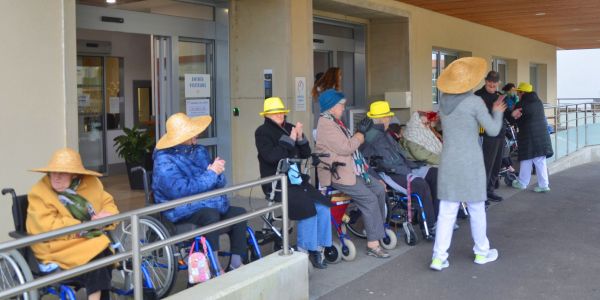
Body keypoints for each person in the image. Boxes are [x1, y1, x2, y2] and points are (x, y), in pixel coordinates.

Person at [430, 57, 506, 271]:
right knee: (476, 207)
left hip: (449, 160)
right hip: (470, 161)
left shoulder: (443, 101)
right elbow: (492, 130)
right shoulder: (474, 102)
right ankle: (482, 252)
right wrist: (498, 113)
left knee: (446, 210)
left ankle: (439, 257)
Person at [152, 113, 246, 272]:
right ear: (181, 137)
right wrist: (211, 174)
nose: (196, 134)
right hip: (178, 208)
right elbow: (180, 190)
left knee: (240, 214)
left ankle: (236, 263)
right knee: (211, 216)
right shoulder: (164, 160)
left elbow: (220, 182)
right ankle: (214, 266)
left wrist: (217, 173)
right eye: (191, 133)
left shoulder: (199, 151)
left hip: (205, 202)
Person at [27, 148, 119, 300]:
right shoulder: (39, 191)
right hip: (56, 245)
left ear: (75, 174)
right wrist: (84, 225)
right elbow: (46, 225)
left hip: (86, 239)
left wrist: (106, 215)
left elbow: (108, 203)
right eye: (52, 172)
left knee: (101, 252)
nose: (56, 177)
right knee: (100, 252)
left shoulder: (92, 183)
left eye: (62, 173)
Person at [254, 97, 332, 269]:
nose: (280, 115)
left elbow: (305, 153)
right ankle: (304, 250)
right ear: (267, 115)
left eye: (281, 111)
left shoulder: (290, 128)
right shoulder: (262, 132)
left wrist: (301, 137)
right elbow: (272, 157)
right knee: (308, 210)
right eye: (275, 113)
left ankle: (319, 248)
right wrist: (290, 139)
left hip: (297, 181)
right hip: (277, 183)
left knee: (323, 207)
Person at [315, 89, 390, 258]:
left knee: (378, 189)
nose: (344, 108)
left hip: (351, 169)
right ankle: (373, 244)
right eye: (341, 105)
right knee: (369, 199)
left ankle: (375, 230)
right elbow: (346, 147)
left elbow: (348, 145)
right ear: (332, 107)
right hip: (338, 173)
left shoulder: (335, 122)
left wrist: (358, 134)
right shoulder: (326, 124)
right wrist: (361, 133)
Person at [360, 100, 439, 236]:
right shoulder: (368, 138)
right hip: (391, 173)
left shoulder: (385, 133)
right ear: (378, 118)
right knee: (421, 185)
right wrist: (377, 178)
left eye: (388, 116)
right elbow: (364, 162)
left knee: (436, 175)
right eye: (386, 116)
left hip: (405, 167)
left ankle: (438, 219)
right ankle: (430, 225)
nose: (389, 118)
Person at [510, 82, 553, 192]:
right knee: (539, 159)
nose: (518, 95)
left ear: (523, 93)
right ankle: (544, 185)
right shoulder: (538, 102)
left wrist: (512, 114)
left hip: (528, 136)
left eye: (519, 93)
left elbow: (515, 119)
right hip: (542, 135)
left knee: (526, 158)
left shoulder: (522, 104)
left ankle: (522, 182)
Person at [475, 70, 506, 202]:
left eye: (494, 83)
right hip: (486, 134)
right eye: (490, 82)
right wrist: (492, 110)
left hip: (500, 133)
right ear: (485, 81)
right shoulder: (477, 96)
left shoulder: (500, 95)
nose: (492, 85)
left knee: (496, 165)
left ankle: (490, 190)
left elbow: (506, 112)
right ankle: (481, 194)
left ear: (498, 83)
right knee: (486, 165)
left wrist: (513, 113)